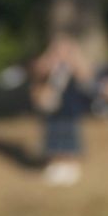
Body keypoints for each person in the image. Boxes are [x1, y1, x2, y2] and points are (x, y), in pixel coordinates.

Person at [32, 37, 94, 186]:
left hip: (70, 107)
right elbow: (37, 71)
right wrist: (51, 58)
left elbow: (86, 75)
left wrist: (74, 57)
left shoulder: (73, 65)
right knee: (53, 135)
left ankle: (70, 164)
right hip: (52, 108)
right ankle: (55, 163)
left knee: (70, 135)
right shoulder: (49, 64)